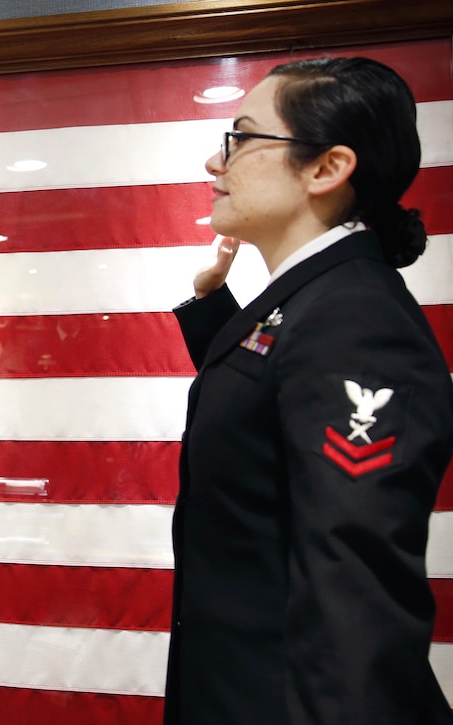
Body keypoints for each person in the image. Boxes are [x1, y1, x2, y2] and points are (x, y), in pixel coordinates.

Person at [165, 56, 453, 724]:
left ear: (327, 168)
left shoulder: (356, 322)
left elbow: (352, 602)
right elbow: (265, 421)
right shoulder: (314, 302)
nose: (216, 161)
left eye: (240, 138)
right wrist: (213, 309)